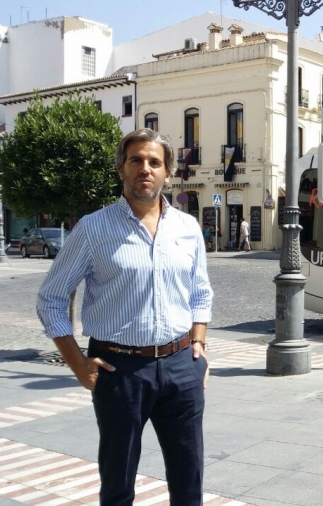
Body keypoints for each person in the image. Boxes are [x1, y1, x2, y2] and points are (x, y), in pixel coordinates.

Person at [36, 128, 213, 506]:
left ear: (168, 173)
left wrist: (198, 343)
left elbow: (200, 291)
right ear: (121, 169)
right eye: (136, 160)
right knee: (117, 482)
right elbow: (51, 298)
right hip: (119, 370)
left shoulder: (187, 228)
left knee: (189, 478)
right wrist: (77, 364)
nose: (144, 169)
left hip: (182, 365)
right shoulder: (93, 228)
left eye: (154, 162)